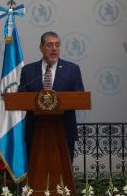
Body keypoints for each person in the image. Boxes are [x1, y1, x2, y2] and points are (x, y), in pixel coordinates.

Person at [19, 31, 84, 161]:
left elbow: (80, 97)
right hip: (35, 130)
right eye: (49, 45)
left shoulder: (72, 69)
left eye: (57, 45)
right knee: (35, 168)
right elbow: (21, 97)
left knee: (64, 171)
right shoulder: (28, 70)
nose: (54, 48)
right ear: (41, 48)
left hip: (64, 129)